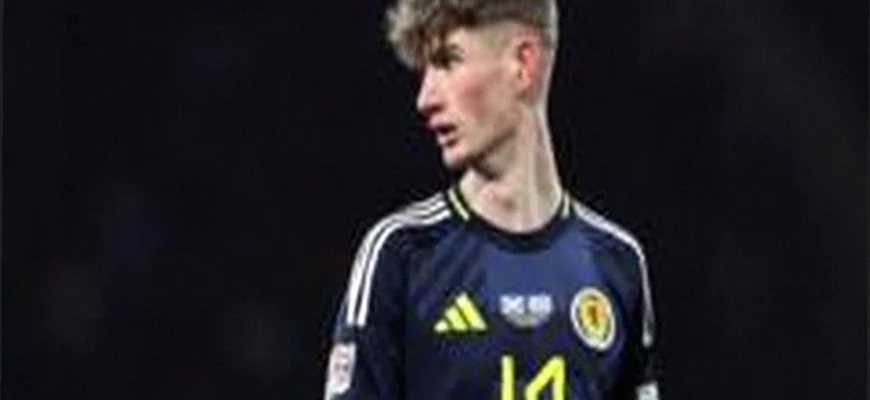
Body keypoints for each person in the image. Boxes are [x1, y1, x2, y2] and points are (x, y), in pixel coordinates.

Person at [323, 0, 661, 398]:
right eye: (425, 70)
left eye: (448, 61)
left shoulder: (617, 263)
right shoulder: (401, 255)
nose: (425, 99)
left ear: (522, 64)